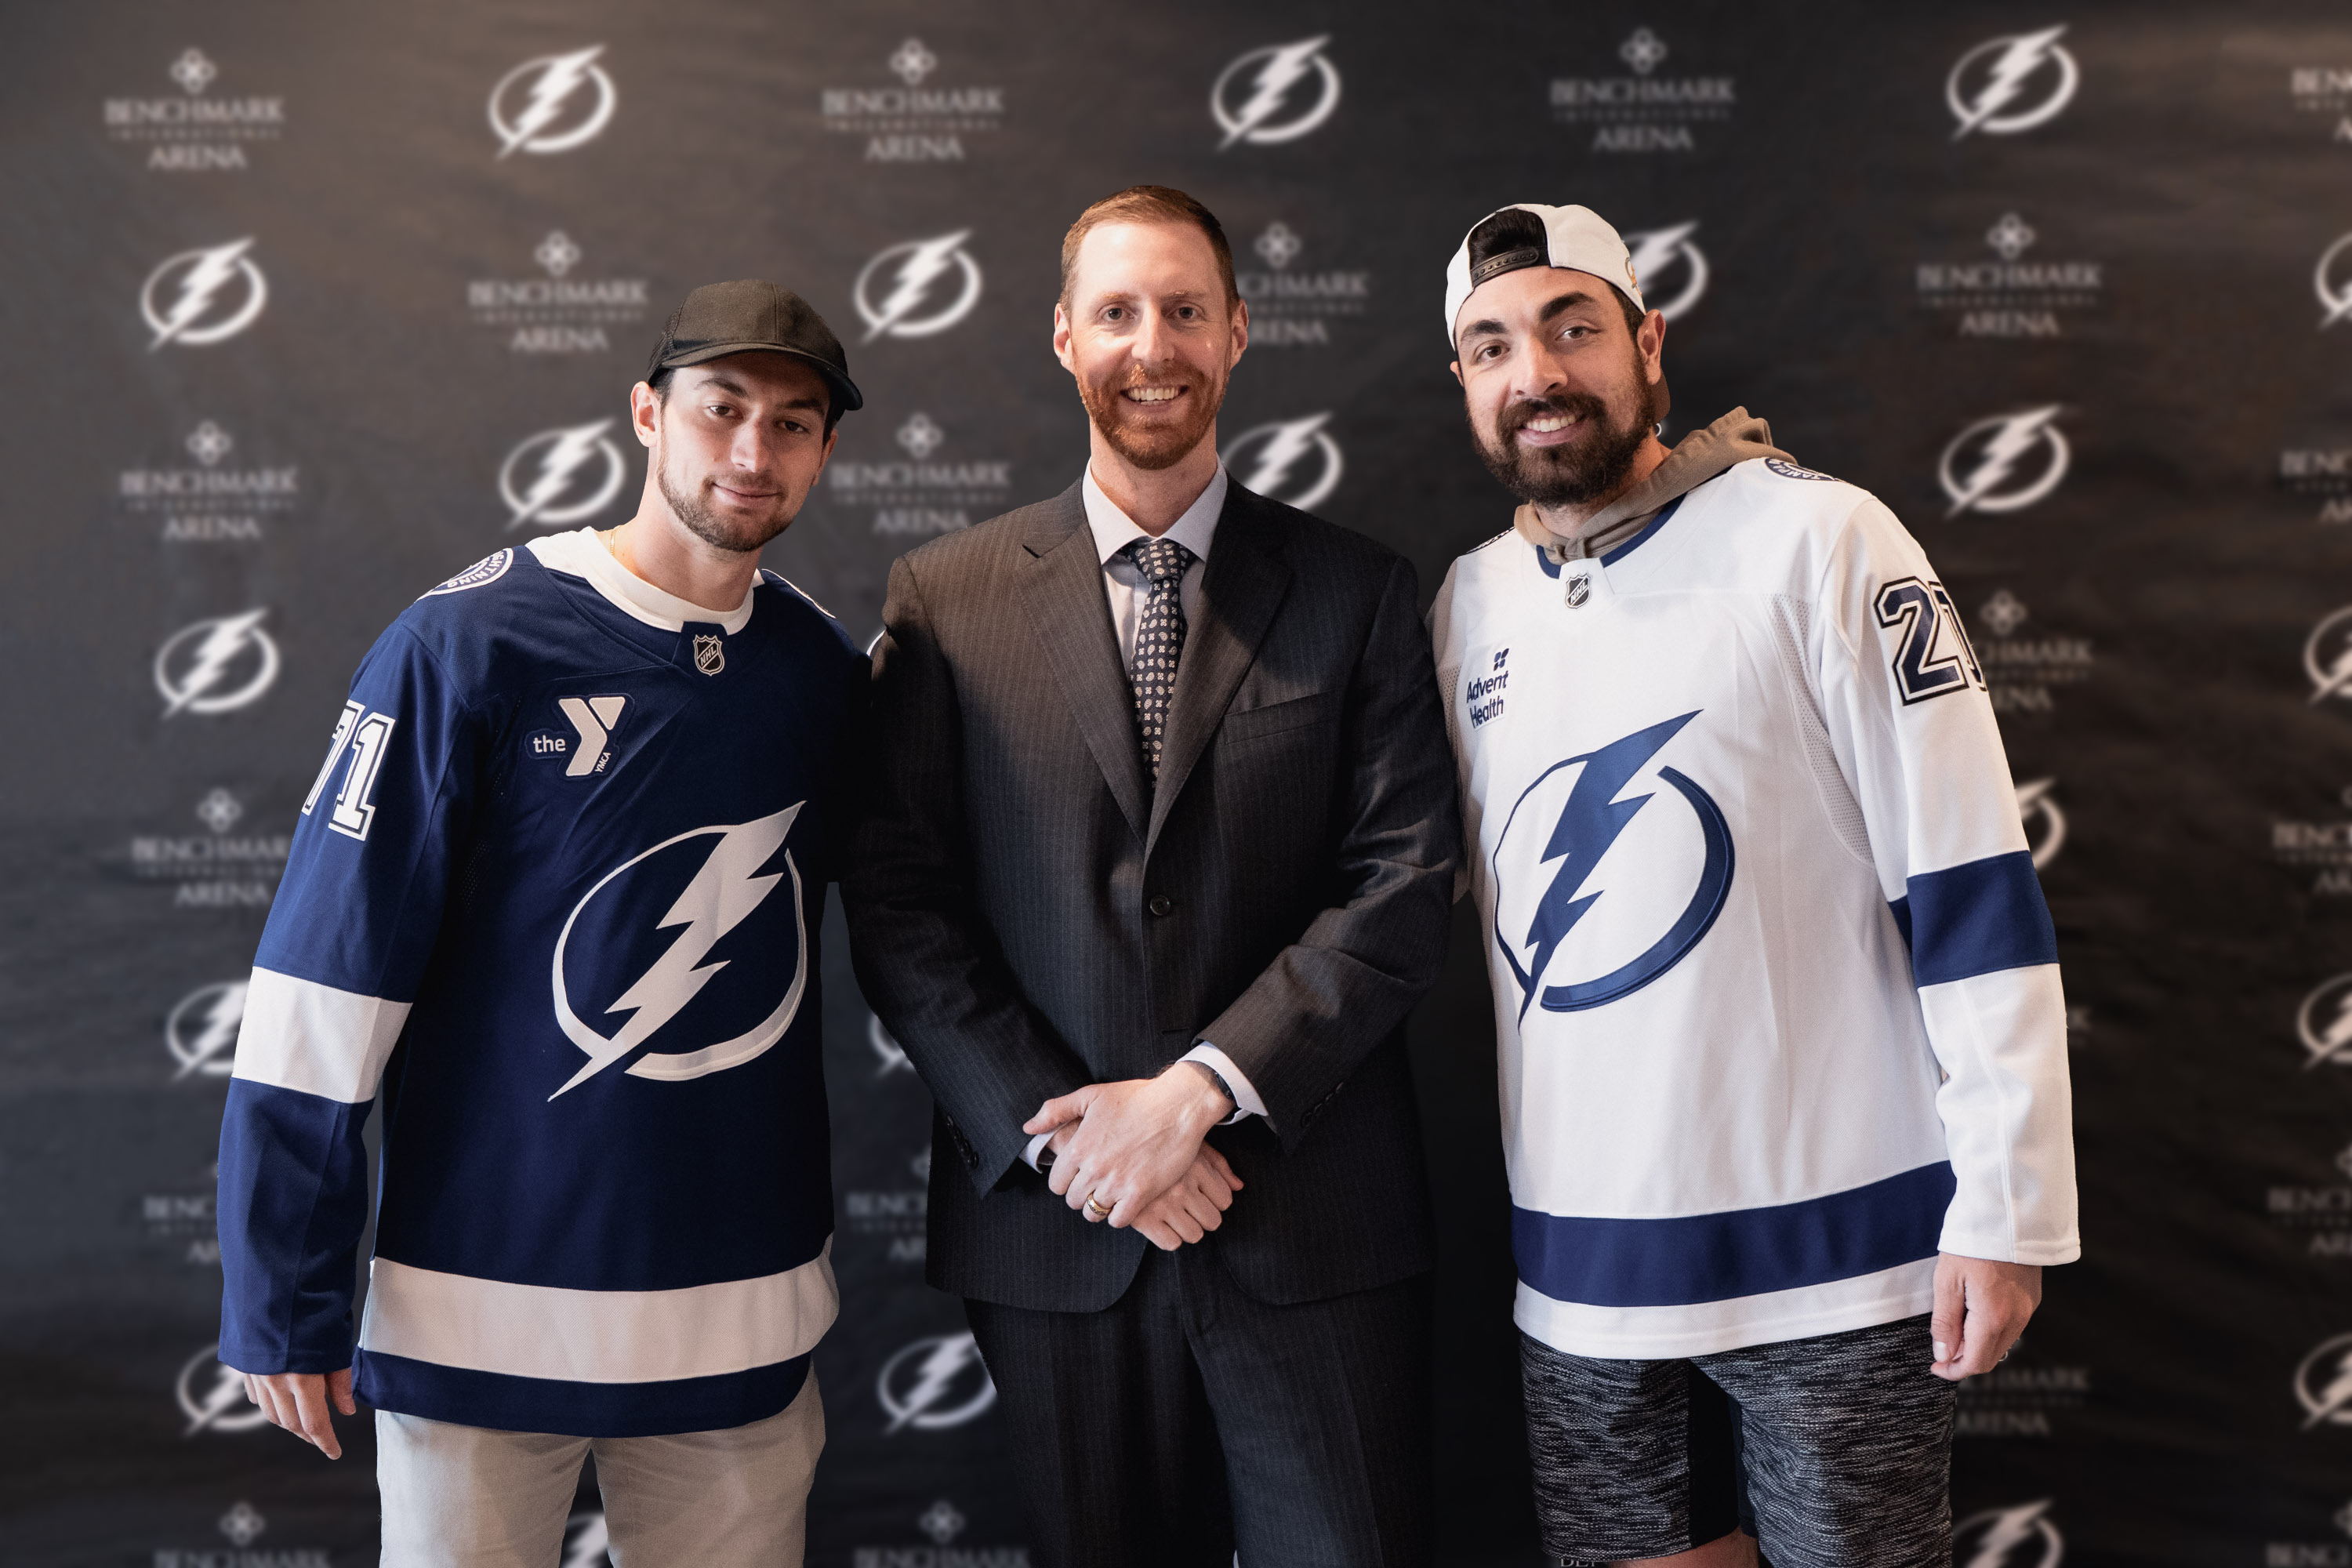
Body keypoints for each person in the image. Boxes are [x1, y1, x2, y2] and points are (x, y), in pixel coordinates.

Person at [1425, 204, 2079, 1568]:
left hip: (1839, 1256)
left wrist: (2008, 1206)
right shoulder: (1469, 604)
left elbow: (1966, 878)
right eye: (1492, 345)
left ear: (1647, 343)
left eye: (1572, 327)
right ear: (1466, 384)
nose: (1535, 372)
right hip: (1584, 1277)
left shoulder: (1825, 541)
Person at [841, 185, 1459, 1567]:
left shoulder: (1357, 590)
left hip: (1311, 1229)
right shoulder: (948, 600)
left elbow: (1401, 884)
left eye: (1185, 310)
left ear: (1238, 333)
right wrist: (1077, 1145)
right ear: (1065, 337)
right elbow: (900, 907)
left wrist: (1195, 1099)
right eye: (1117, 312)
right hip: (1060, 1241)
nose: (1153, 344)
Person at [214, 281, 867, 1566]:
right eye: (720, 409)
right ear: (645, 415)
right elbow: (326, 982)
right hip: (481, 1324)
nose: (753, 452)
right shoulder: (468, 644)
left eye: (793, 424)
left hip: (738, 1330)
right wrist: (281, 1293)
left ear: (825, 451)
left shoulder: (819, 669)